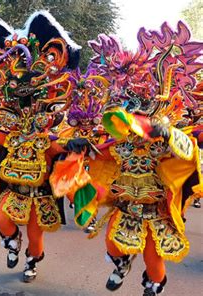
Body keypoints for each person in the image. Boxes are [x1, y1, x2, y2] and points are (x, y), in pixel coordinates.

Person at [53, 22, 202, 296]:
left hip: (156, 211)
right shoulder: (119, 141)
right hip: (125, 205)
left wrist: (167, 134)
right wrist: (76, 145)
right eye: (129, 101)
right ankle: (121, 264)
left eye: (141, 101)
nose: (134, 108)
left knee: (154, 260)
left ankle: (153, 286)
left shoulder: (167, 137)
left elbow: (191, 153)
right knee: (112, 245)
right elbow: (99, 153)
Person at [0, 12, 81, 282]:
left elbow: (58, 149)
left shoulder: (44, 139)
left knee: (36, 239)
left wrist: (73, 145)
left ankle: (32, 261)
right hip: (14, 191)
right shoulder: (12, 136)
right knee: (4, 221)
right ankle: (12, 242)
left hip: (39, 195)